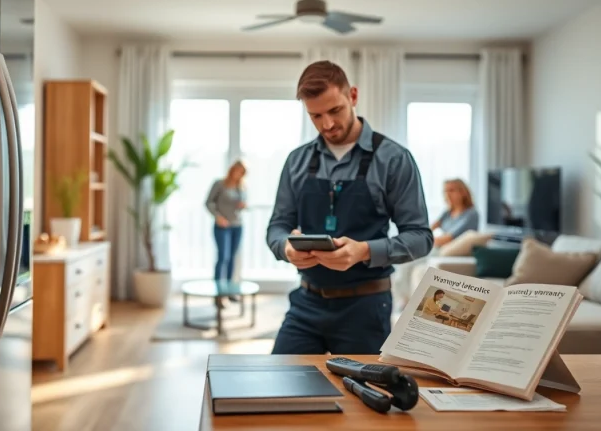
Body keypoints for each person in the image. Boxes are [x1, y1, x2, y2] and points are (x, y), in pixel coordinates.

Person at [265, 60, 434, 355]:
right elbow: (277, 227)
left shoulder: (394, 159)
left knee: (364, 398)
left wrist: (364, 251)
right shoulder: (296, 161)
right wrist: (285, 249)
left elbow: (421, 237)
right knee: (281, 391)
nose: (327, 124)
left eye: (335, 111)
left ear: (353, 96)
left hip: (366, 309)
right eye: (315, 116)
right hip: (306, 304)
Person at [205, 161, 247, 287]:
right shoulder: (220, 184)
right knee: (223, 257)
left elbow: (240, 205)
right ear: (232, 170)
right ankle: (218, 292)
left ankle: (230, 290)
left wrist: (242, 206)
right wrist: (218, 217)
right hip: (222, 226)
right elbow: (209, 203)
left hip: (237, 225)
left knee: (232, 258)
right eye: (237, 170)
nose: (238, 174)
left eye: (242, 172)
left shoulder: (242, 187)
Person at [430, 179, 479, 248]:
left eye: (451, 190)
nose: (447, 194)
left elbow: (449, 239)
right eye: (445, 191)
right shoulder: (447, 213)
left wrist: (424, 241)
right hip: (442, 249)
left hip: (457, 253)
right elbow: (429, 229)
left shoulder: (471, 214)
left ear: (463, 192)